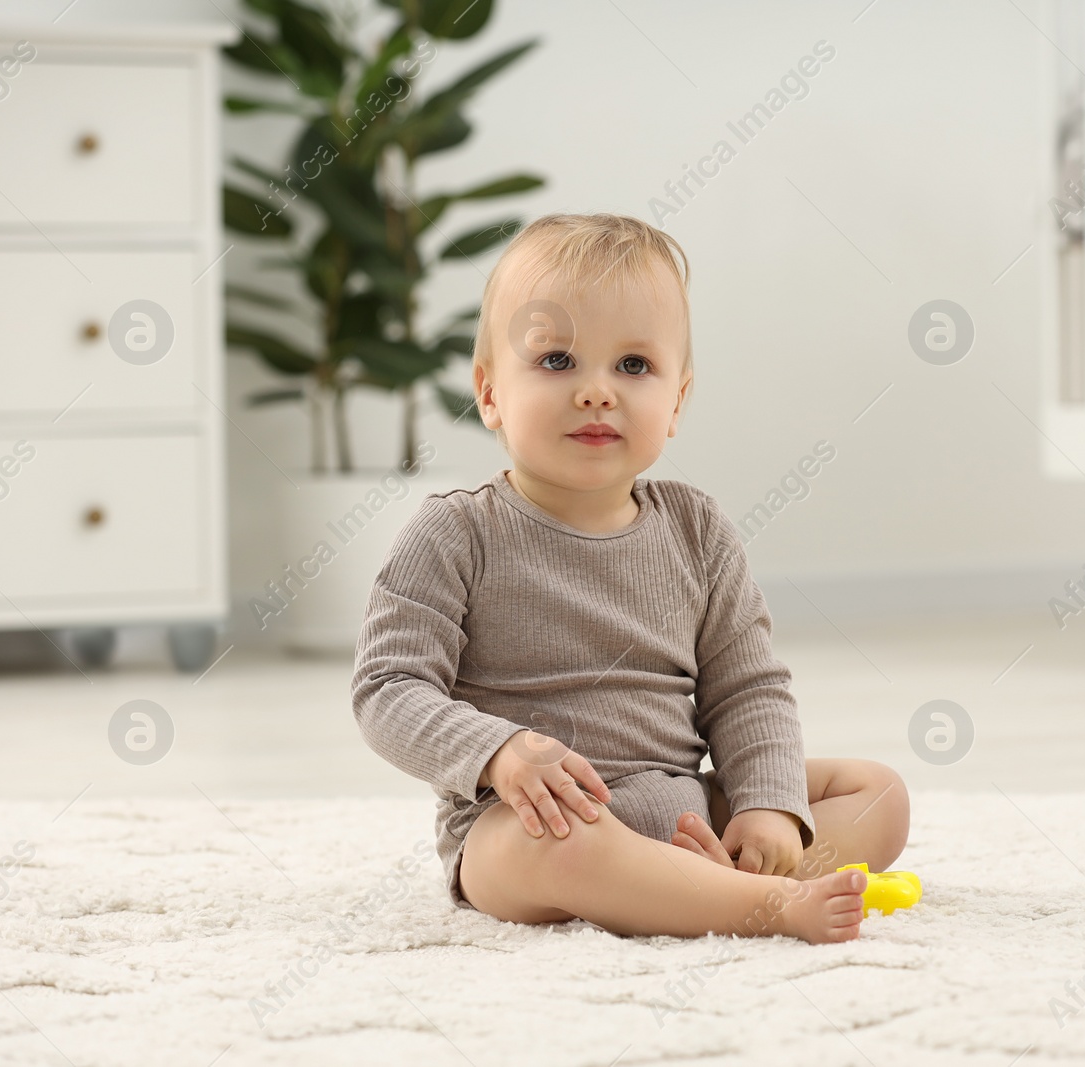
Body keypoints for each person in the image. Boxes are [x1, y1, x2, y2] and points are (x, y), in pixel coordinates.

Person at [352, 213, 910, 943]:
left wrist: (768, 806)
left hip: (677, 803)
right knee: (565, 847)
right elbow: (388, 689)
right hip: (531, 823)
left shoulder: (697, 529)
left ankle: (708, 875)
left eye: (634, 366)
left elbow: (748, 689)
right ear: (489, 393)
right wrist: (500, 751)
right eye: (557, 361)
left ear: (675, 401)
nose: (596, 392)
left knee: (879, 794)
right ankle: (757, 903)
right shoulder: (456, 533)